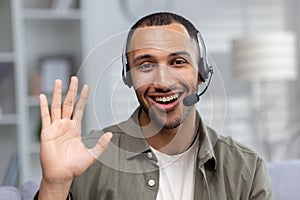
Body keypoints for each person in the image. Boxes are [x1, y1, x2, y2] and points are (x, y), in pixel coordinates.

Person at [35, 12, 273, 199]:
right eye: (146, 65)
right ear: (129, 77)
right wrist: (54, 186)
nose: (163, 82)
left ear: (201, 73)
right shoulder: (87, 158)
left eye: (178, 62)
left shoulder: (246, 169)